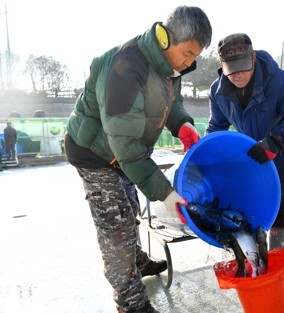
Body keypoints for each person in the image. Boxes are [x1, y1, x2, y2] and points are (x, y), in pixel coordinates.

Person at [64, 6, 212, 313]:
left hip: (124, 152)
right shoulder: (126, 68)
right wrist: (167, 194)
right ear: (166, 38)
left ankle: (138, 261)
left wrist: (182, 124)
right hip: (94, 151)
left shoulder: (170, 67)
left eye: (195, 55)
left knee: (128, 206)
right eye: (187, 53)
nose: (191, 62)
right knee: (115, 225)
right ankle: (129, 300)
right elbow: (127, 147)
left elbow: (172, 103)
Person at [207, 33, 284, 249]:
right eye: (231, 69)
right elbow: (216, 127)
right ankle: (255, 250)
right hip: (252, 156)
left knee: (282, 203)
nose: (237, 74)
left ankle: (277, 251)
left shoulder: (281, 81)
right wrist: (207, 157)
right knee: (250, 201)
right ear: (222, 65)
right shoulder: (218, 92)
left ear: (253, 58)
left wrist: (276, 141)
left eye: (243, 66)